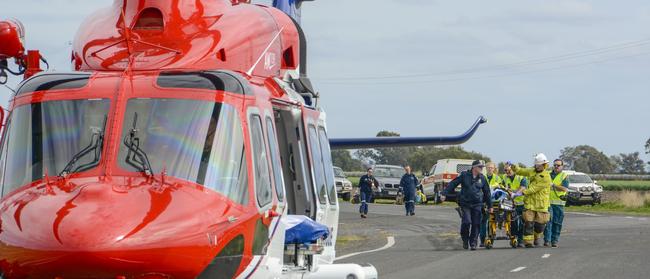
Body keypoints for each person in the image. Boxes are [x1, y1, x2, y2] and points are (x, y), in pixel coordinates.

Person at [440, 160, 492, 250]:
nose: (481, 168)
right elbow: (453, 183)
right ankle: (465, 239)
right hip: (465, 204)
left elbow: (487, 192)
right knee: (466, 222)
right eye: (480, 167)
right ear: (474, 167)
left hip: (477, 204)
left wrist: (490, 206)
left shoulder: (482, 178)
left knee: (476, 224)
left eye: (482, 167)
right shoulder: (464, 175)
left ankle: (473, 242)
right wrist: (444, 193)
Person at [510, 153, 552, 248]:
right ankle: (528, 242)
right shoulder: (532, 171)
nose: (537, 166)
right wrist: (513, 166)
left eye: (539, 165)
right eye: (536, 164)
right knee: (528, 223)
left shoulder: (546, 177)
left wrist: (522, 192)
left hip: (541, 205)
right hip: (530, 203)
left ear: (544, 165)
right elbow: (521, 171)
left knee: (539, 226)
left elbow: (534, 189)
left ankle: (536, 236)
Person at [544, 159, 569, 248]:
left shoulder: (564, 176)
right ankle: (547, 240)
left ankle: (554, 240)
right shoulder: (548, 175)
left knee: (557, 223)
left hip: (559, 204)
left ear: (562, 166)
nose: (556, 167)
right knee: (548, 221)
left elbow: (564, 189)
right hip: (548, 203)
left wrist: (553, 185)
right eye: (555, 165)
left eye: (558, 165)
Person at [503, 164, 528, 248]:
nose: (507, 172)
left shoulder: (521, 177)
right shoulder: (505, 178)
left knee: (522, 223)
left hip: (522, 203)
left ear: (513, 170)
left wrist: (515, 194)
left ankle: (520, 240)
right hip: (510, 204)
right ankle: (513, 239)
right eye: (505, 170)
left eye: (509, 170)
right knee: (512, 222)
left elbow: (523, 188)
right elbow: (502, 187)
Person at [480, 162, 503, 247]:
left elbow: (501, 188)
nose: (490, 169)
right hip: (483, 202)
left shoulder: (497, 178)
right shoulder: (482, 177)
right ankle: (482, 240)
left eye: (491, 167)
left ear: (494, 169)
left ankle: (491, 238)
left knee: (492, 221)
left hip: (494, 203)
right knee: (483, 222)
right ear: (486, 168)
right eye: (488, 167)